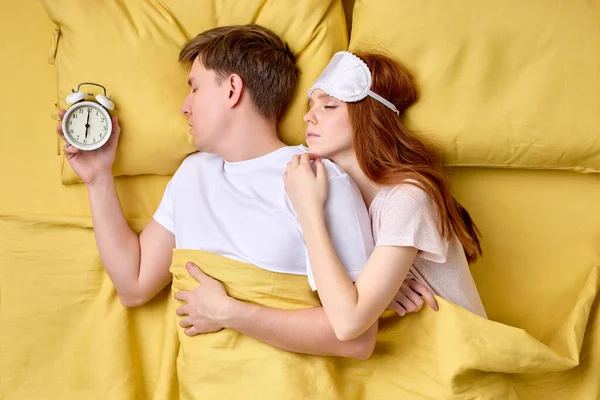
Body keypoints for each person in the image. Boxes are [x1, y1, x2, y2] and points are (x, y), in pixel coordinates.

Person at [55, 25, 431, 360]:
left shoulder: (318, 179)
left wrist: (229, 312)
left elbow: (354, 337)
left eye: (195, 88)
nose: (184, 108)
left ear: (233, 89)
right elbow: (133, 285)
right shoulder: (191, 174)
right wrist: (98, 178)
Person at [184, 50, 486, 344]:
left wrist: (308, 211)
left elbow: (348, 323)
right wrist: (375, 290)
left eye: (328, 107)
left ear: (369, 116)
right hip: (404, 352)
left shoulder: (408, 198)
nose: (308, 117)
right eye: (311, 105)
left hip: (454, 351)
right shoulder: (341, 191)